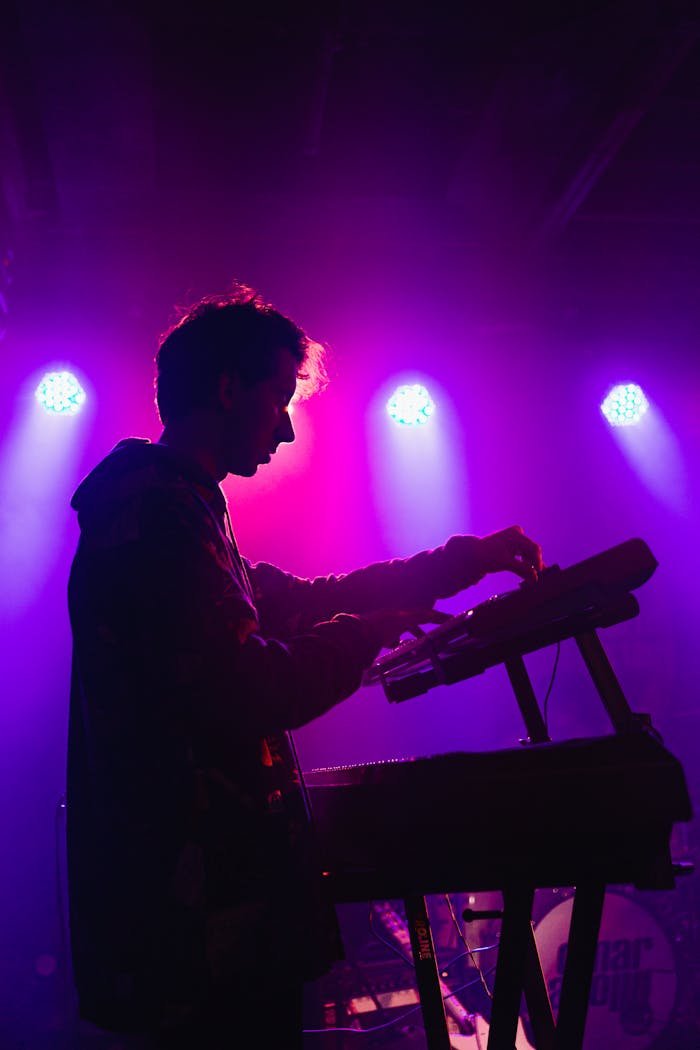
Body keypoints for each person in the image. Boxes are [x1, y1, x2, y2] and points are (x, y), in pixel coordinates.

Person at [66, 285, 543, 1048]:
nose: (286, 429)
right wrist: (365, 635)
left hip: (202, 906)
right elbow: (249, 687)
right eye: (278, 397)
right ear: (228, 389)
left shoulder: (177, 505)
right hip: (194, 915)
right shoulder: (155, 515)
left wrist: (461, 563)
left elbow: (301, 601)